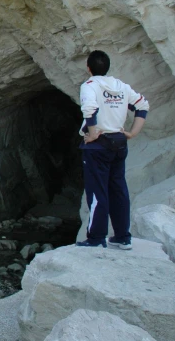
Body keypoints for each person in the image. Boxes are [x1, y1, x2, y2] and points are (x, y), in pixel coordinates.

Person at [76, 50, 149, 249]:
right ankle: (123, 237)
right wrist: (133, 133)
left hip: (98, 145)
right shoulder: (121, 86)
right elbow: (142, 106)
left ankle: (97, 238)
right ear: (107, 67)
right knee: (118, 190)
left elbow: (89, 108)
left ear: (89, 68)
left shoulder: (89, 85)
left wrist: (91, 133)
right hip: (119, 142)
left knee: (97, 191)